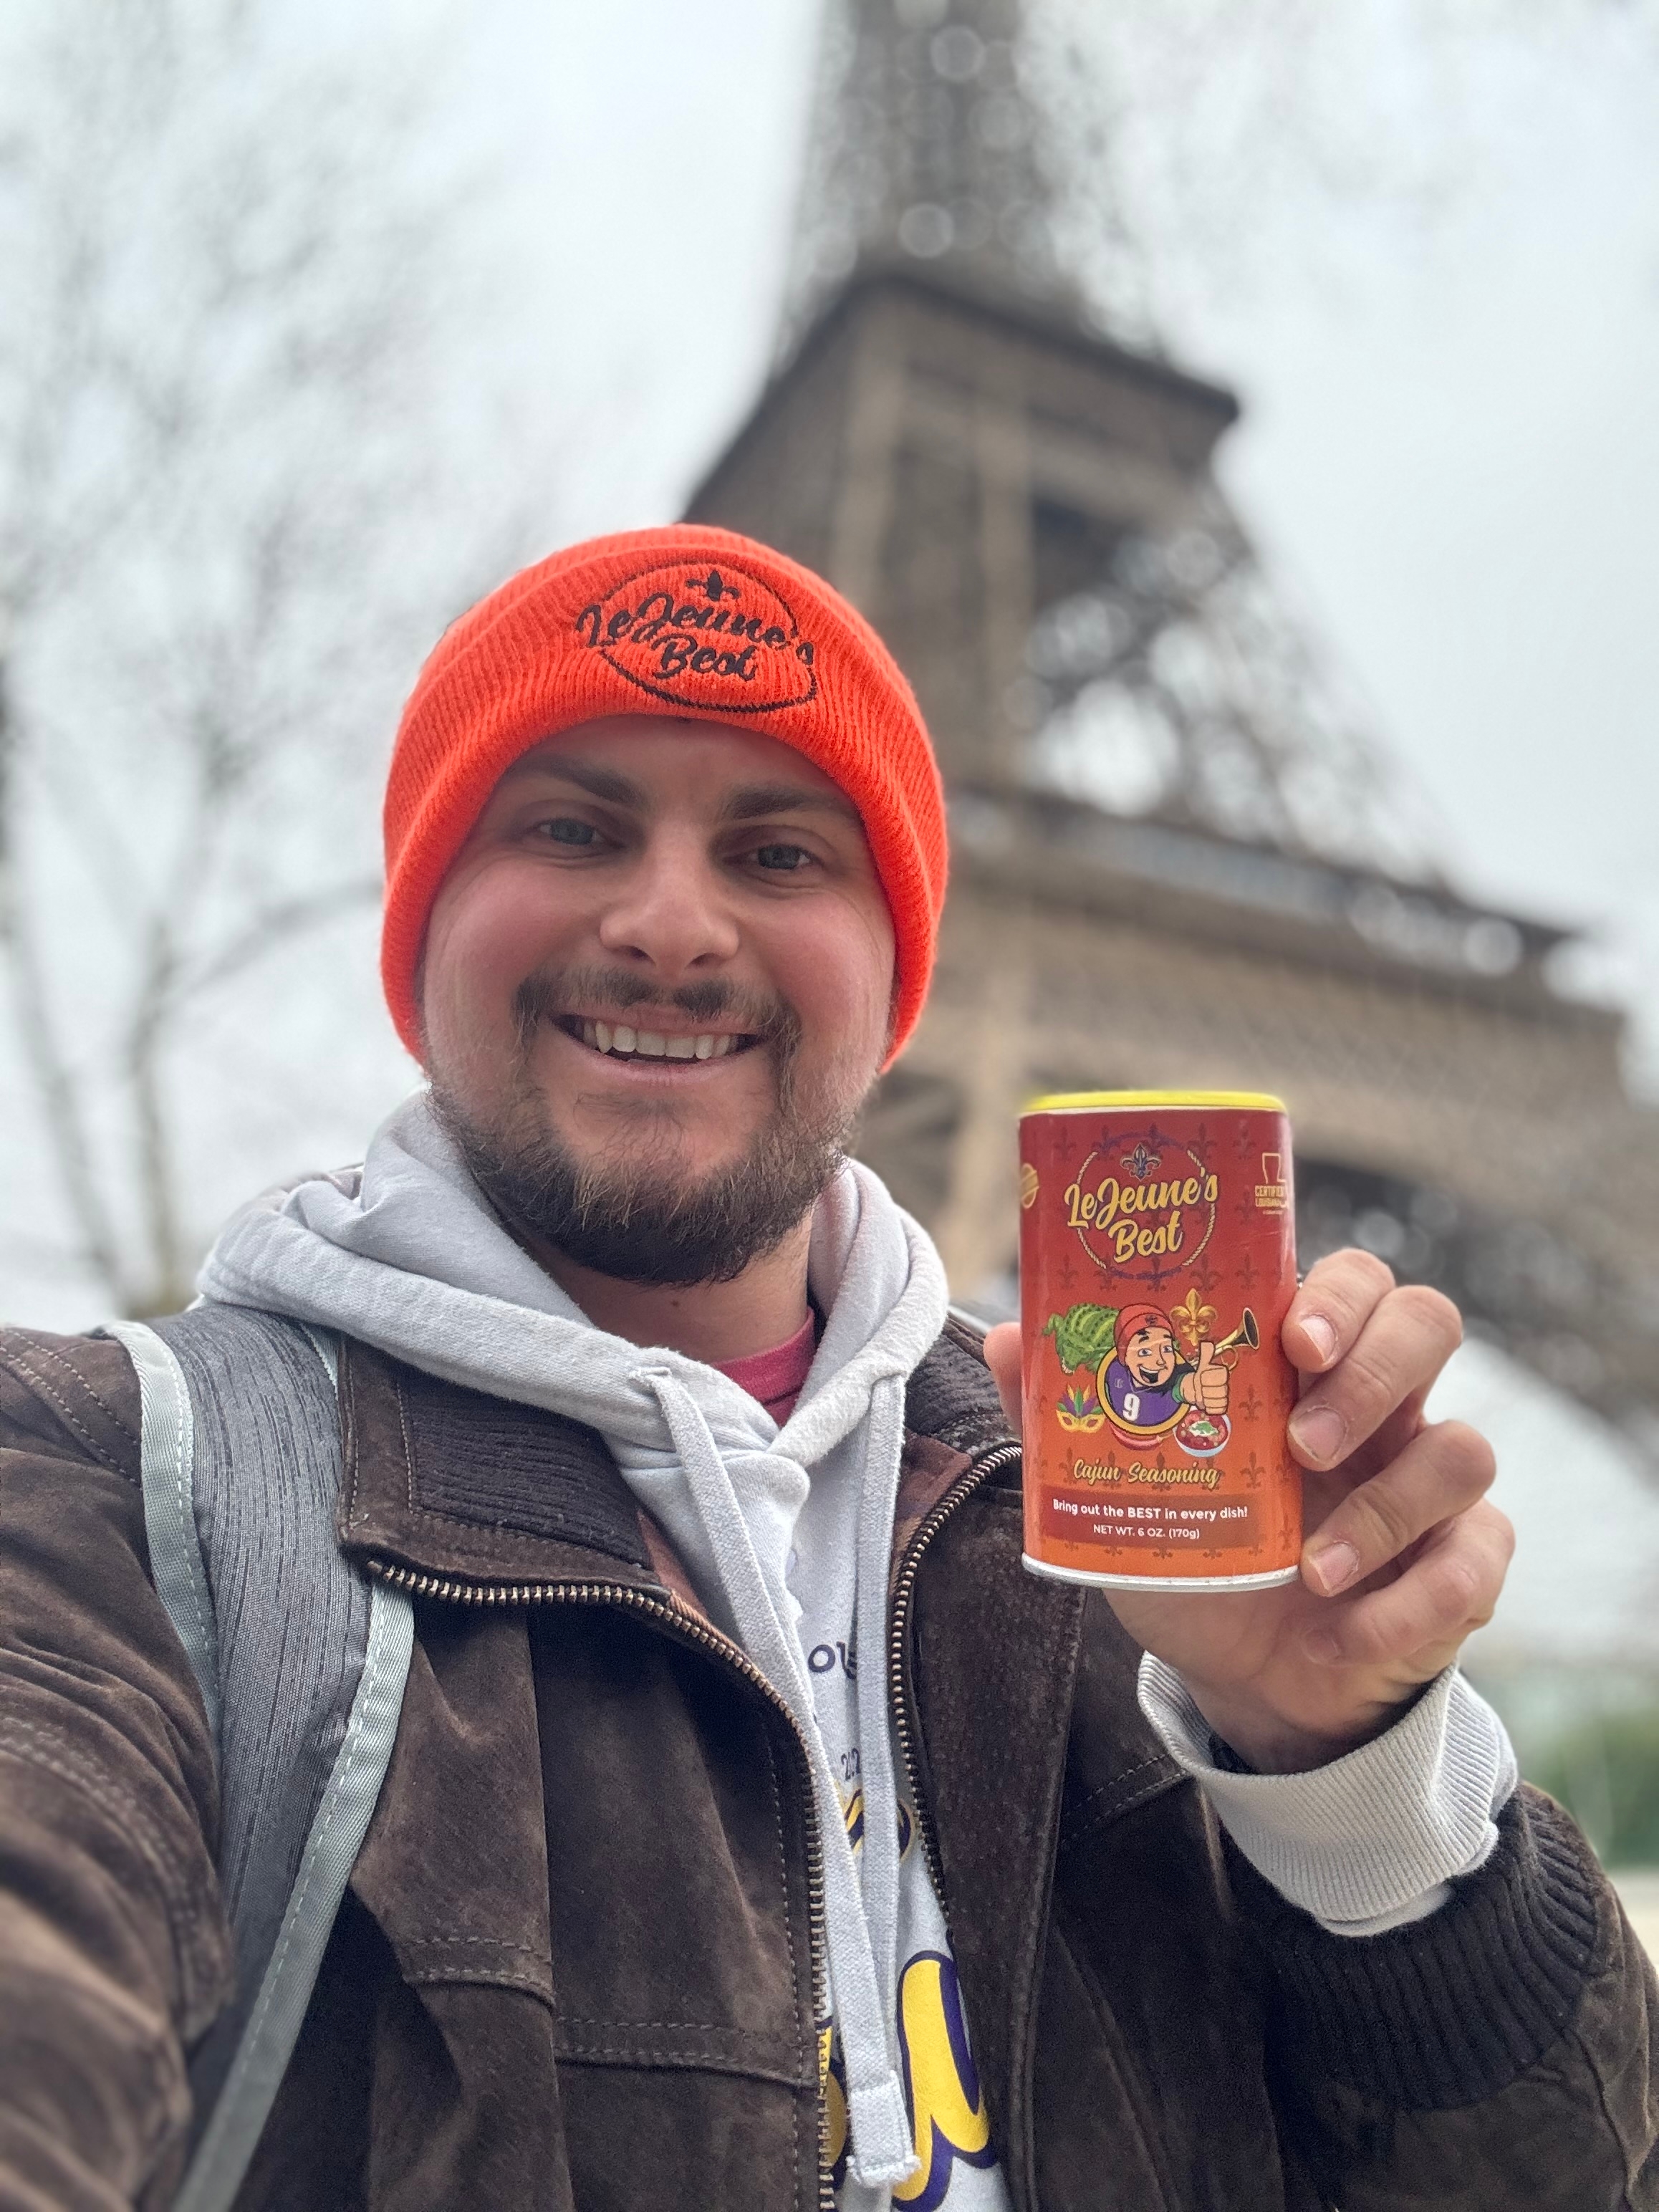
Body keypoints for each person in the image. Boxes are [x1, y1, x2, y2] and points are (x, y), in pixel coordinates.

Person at [0, 524, 1650, 2212]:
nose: (668, 922)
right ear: (419, 939)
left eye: (781, 852)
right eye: (572, 826)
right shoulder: (107, 1483)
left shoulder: (1108, 1519)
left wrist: (1344, 1776)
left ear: (898, 983)